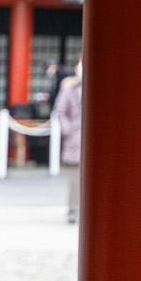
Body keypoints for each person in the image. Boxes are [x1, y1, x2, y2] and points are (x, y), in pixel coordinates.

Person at [53, 58, 83, 223]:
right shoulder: (70, 88)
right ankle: (73, 211)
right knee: (75, 179)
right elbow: (60, 110)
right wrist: (68, 130)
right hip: (75, 139)